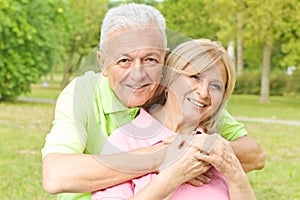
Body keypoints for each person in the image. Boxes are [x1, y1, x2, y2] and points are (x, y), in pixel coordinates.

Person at [41, 3, 265, 199]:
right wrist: (164, 157)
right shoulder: (82, 94)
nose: (138, 74)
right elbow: (55, 176)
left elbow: (254, 154)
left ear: (165, 60)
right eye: (124, 60)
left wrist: (198, 153)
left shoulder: (188, 98)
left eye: (150, 59)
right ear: (102, 63)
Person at [92, 39, 257, 200]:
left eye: (215, 86)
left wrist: (234, 171)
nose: (204, 92)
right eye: (194, 77)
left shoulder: (217, 148)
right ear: (169, 78)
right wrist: (174, 176)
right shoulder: (124, 141)